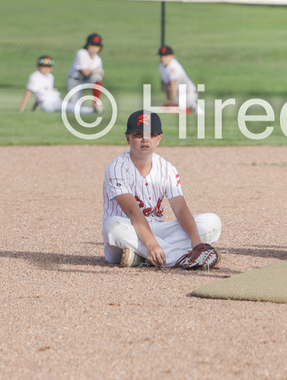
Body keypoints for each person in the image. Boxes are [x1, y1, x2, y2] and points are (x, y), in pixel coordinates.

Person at [102, 109, 222, 268]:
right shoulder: (117, 167)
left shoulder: (167, 168)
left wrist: (197, 244)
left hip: (159, 231)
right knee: (112, 226)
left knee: (211, 221)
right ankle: (181, 258)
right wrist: (151, 243)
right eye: (138, 134)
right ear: (128, 138)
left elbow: (180, 209)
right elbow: (132, 213)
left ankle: (143, 257)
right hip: (127, 231)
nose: (145, 139)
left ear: (159, 139)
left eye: (150, 134)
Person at [65, 33, 104, 114]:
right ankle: (92, 110)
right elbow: (85, 72)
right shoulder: (81, 53)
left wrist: (96, 72)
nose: (94, 48)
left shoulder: (98, 59)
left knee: (97, 77)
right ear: (87, 45)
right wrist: (95, 71)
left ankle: (96, 103)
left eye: (97, 46)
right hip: (75, 81)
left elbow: (101, 75)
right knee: (76, 108)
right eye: (92, 45)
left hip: (86, 80)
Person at [158, 45, 198, 112]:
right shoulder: (161, 66)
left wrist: (172, 102)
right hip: (179, 94)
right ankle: (185, 107)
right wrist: (168, 99)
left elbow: (173, 84)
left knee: (176, 106)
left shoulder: (174, 66)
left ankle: (192, 108)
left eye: (165, 56)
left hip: (190, 93)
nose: (163, 58)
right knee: (166, 108)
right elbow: (165, 84)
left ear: (172, 56)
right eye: (161, 56)